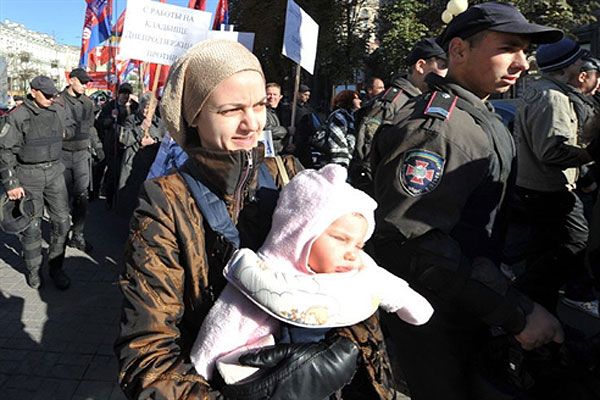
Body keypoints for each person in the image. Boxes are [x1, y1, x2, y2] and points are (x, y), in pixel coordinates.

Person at [115, 39, 395, 400]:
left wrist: (344, 353)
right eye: (232, 110)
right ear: (194, 116)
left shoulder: (291, 174)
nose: (252, 124)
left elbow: (353, 275)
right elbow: (146, 354)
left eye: (260, 104)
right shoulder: (166, 201)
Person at [370, 3, 566, 399]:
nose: (522, 63)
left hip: (465, 306)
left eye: (525, 51)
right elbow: (414, 243)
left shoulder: (476, 115)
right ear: (459, 50)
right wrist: (516, 313)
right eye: (508, 48)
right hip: (437, 319)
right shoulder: (440, 129)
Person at [190, 164, 433, 384]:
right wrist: (203, 373)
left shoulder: (358, 270)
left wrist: (411, 306)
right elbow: (220, 330)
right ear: (301, 232)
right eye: (340, 239)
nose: (351, 253)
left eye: (359, 245)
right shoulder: (265, 279)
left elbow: (389, 287)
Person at [512, 38, 600, 317]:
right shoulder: (553, 97)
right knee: (576, 241)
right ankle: (528, 295)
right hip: (549, 188)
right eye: (578, 61)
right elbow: (551, 151)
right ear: (567, 66)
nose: (582, 65)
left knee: (542, 247)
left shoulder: (543, 90)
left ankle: (535, 304)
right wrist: (589, 154)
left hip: (537, 186)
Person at [0, 76, 71, 290]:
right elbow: (5, 151)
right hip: (28, 176)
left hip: (55, 172)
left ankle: (56, 268)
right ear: (33, 92)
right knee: (32, 228)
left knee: (62, 223)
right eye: (46, 95)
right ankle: (34, 270)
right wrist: (11, 183)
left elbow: (69, 129)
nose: (51, 98)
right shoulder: (18, 116)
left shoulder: (57, 110)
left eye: (53, 94)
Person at [350, 37, 448, 194]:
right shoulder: (391, 103)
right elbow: (365, 157)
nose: (446, 73)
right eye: (443, 66)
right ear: (420, 66)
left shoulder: (423, 101)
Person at [59, 68, 104, 252]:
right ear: (71, 80)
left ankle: (77, 234)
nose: (86, 85)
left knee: (82, 197)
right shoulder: (58, 102)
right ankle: (60, 235)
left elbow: (91, 127)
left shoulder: (87, 103)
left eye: (87, 82)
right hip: (61, 155)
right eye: (82, 82)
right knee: (61, 198)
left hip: (81, 155)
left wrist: (98, 146)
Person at [115, 93, 165, 218]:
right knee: (129, 197)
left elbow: (165, 144)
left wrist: (153, 142)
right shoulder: (131, 120)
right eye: (145, 107)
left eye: (150, 108)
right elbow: (124, 139)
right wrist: (140, 128)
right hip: (132, 164)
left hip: (151, 166)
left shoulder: (160, 124)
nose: (146, 111)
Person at [94, 82, 138, 208]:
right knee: (113, 171)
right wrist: (111, 118)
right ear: (119, 94)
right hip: (113, 144)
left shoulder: (134, 106)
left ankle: (122, 198)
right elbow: (100, 123)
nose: (125, 96)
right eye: (123, 93)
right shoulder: (110, 106)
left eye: (128, 93)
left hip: (128, 144)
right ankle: (109, 198)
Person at [311, 90, 361, 169]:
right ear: (348, 100)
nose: (360, 101)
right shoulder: (340, 116)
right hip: (338, 162)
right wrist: (341, 165)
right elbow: (337, 139)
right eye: (356, 98)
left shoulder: (351, 116)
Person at [264, 82, 290, 155]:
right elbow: (267, 130)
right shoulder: (261, 112)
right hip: (269, 153)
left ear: (280, 97)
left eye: (275, 94)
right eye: (269, 94)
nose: (272, 97)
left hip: (283, 152)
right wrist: (286, 130)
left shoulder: (285, 112)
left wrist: (291, 144)